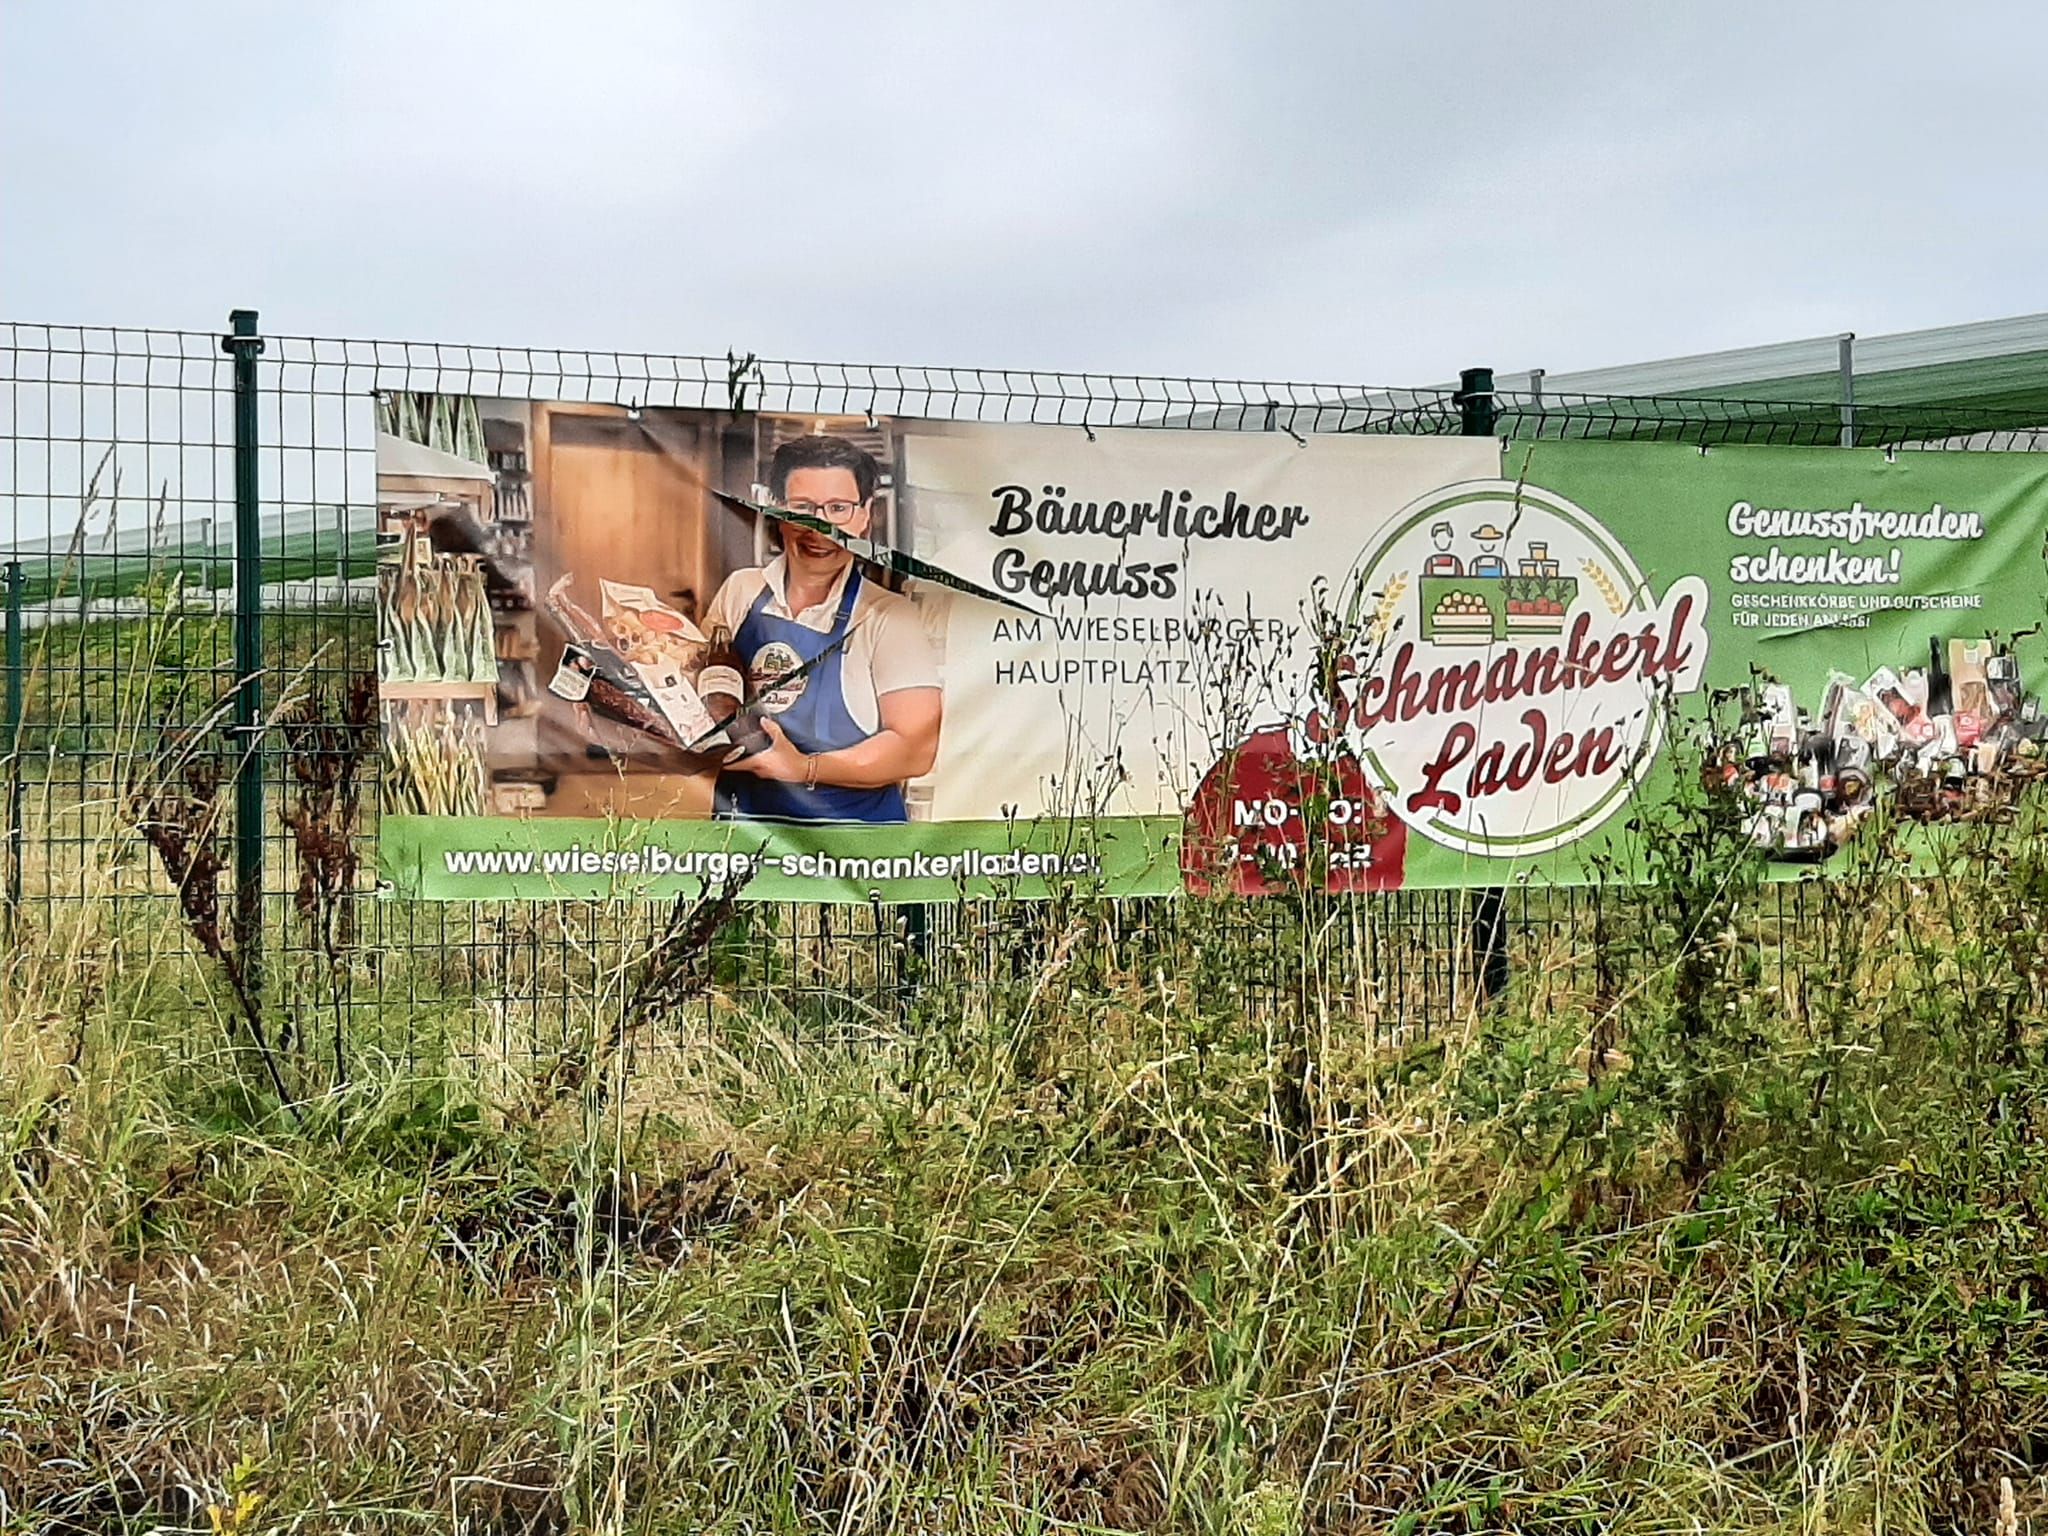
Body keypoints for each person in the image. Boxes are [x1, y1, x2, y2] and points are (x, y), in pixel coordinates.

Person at [703, 434, 942, 823]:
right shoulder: (740, 591)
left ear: (865, 515)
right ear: (777, 509)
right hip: (743, 836)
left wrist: (803, 768)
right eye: (803, 507)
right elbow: (702, 700)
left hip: (854, 852)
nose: (820, 528)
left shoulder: (890, 618)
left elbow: (915, 749)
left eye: (838, 508)